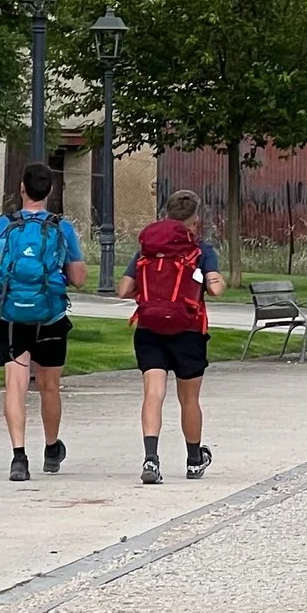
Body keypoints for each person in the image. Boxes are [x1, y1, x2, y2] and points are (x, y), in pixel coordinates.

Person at [0, 163, 88, 482]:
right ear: (50, 191)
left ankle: (18, 457)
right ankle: (52, 449)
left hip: (11, 316)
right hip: (50, 316)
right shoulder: (62, 228)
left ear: (22, 189)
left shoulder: (1, 225)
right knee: (50, 387)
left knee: (16, 387)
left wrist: (4, 284)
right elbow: (78, 279)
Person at [120, 190, 224, 485]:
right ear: (195, 220)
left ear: (166, 215)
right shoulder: (202, 250)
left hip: (149, 328)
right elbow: (215, 289)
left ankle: (151, 459)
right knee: (189, 399)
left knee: (153, 394)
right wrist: (210, 280)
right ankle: (193, 460)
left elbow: (124, 289)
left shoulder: (147, 250)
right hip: (189, 330)